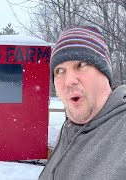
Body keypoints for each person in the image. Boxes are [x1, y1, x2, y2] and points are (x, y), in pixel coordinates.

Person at [39, 26, 126, 180]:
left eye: (82, 65)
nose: (69, 81)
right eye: (59, 70)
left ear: (105, 73)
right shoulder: (69, 129)